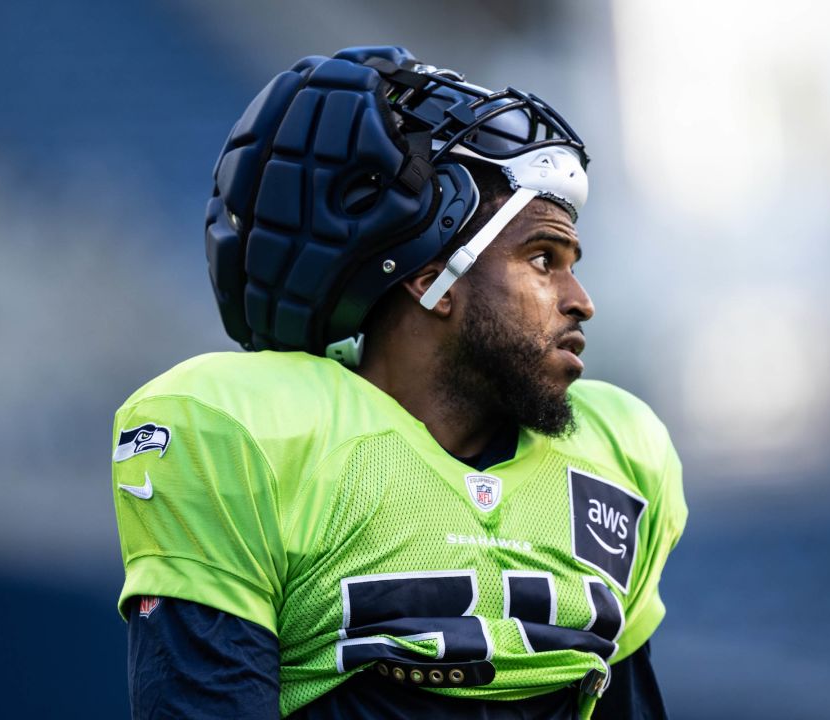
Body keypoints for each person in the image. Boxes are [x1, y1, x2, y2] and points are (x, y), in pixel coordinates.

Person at [112, 46, 687, 719]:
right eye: (542, 258)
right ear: (429, 278)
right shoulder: (246, 432)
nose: (580, 299)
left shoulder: (623, 455)